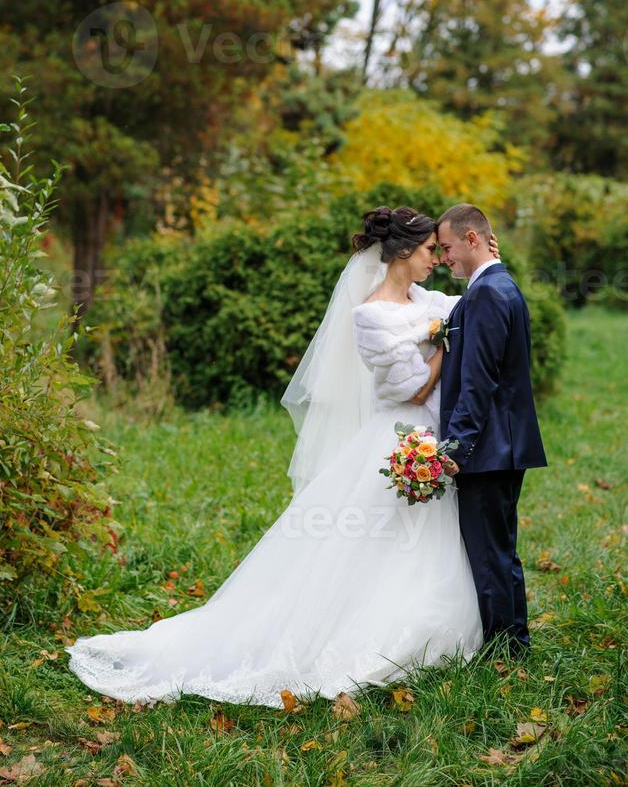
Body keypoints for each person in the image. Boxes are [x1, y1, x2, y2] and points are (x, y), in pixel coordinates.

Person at [66, 205, 494, 708]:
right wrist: (444, 342)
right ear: (402, 251)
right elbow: (415, 391)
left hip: (431, 437)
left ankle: (432, 624)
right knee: (376, 538)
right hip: (400, 435)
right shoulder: (372, 315)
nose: (435, 261)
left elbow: (465, 306)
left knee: (424, 537)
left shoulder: (426, 297)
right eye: (428, 251)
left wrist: (480, 274)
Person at [437, 204, 547, 656]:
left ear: (472, 239)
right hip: (503, 442)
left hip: (487, 447)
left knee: (490, 552)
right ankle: (509, 639)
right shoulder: (496, 286)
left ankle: (508, 647)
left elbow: (478, 381)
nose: (443, 258)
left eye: (446, 248)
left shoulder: (486, 294)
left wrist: (455, 448)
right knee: (497, 546)